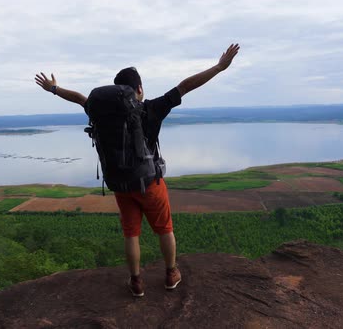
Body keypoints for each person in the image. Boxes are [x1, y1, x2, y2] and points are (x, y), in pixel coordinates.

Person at [35, 43, 240, 297]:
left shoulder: (101, 113)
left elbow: (78, 98)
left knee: (131, 233)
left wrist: (53, 88)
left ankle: (136, 282)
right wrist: (219, 67)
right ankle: (171, 273)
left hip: (120, 184)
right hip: (149, 183)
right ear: (139, 89)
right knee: (164, 228)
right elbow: (185, 86)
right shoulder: (151, 109)